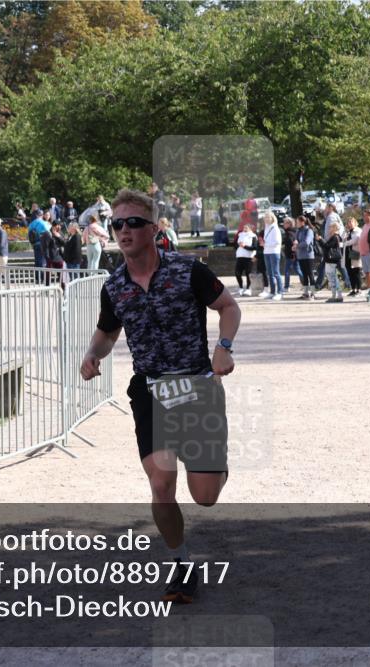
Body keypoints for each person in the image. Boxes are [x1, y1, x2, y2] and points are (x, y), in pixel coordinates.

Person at [80, 188, 240, 605]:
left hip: (197, 386)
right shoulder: (114, 286)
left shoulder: (188, 271)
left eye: (133, 222)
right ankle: (180, 565)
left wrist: (224, 346)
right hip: (150, 389)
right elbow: (107, 331)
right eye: (117, 224)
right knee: (161, 481)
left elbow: (229, 307)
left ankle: (213, 457)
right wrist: (92, 355)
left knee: (204, 496)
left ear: (153, 228)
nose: (124, 230)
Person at [259, 211, 283, 301]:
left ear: (272, 218)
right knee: (270, 273)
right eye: (265, 217)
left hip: (274, 252)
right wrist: (264, 244)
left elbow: (277, 242)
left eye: (268, 217)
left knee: (276, 273)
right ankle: (272, 292)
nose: (266, 219)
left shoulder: (275, 228)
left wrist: (265, 244)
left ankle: (280, 292)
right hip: (266, 252)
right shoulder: (266, 228)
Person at [319, 220, 344, 303]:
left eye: (330, 227)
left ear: (334, 228)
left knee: (332, 277)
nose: (329, 229)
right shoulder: (338, 237)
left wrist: (320, 240)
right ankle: (337, 295)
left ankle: (336, 295)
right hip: (334, 260)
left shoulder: (334, 237)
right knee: (333, 277)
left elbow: (326, 246)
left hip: (331, 260)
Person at [293, 215, 317, 300]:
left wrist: (297, 246)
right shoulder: (298, 231)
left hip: (308, 255)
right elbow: (296, 240)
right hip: (300, 256)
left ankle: (313, 293)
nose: (296, 224)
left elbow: (307, 242)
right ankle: (306, 293)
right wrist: (295, 245)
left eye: (298, 222)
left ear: (302, 222)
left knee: (310, 274)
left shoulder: (309, 230)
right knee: (304, 274)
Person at [234, 221, 257, 296]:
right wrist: (238, 247)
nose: (244, 229)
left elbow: (254, 247)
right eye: (244, 227)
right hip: (240, 256)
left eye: (246, 227)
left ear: (250, 229)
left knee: (248, 273)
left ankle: (248, 288)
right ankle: (241, 288)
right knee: (237, 273)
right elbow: (236, 245)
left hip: (248, 257)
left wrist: (244, 246)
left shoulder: (253, 236)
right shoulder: (240, 235)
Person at [342, 217, 362, 297]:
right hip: (347, 253)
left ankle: (359, 289)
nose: (349, 224)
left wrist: (345, 243)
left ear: (355, 223)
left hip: (355, 252)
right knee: (350, 272)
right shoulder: (347, 231)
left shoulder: (358, 231)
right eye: (348, 223)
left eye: (351, 222)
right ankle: (353, 289)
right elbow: (342, 238)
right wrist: (345, 231)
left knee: (356, 271)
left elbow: (354, 240)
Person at [280, 216, 299, 292]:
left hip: (291, 255)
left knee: (287, 271)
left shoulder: (289, 233)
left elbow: (291, 242)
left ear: (289, 224)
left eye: (285, 223)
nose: (283, 224)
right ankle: (306, 283)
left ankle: (286, 287)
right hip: (293, 254)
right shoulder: (293, 231)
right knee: (298, 270)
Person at [358, 209, 370, 293]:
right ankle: (369, 289)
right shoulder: (365, 225)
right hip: (363, 252)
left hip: (369, 252)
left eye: (365, 215)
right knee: (367, 272)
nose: (363, 217)